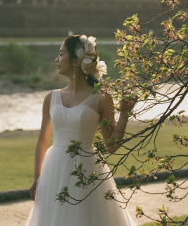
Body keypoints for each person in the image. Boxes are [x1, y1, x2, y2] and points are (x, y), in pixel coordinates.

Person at [25, 34, 137, 226]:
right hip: (53, 170)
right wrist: (37, 178)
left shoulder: (101, 98)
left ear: (76, 61)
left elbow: (111, 146)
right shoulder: (50, 98)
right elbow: (43, 140)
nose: (56, 60)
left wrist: (125, 115)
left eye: (61, 54)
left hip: (87, 170)